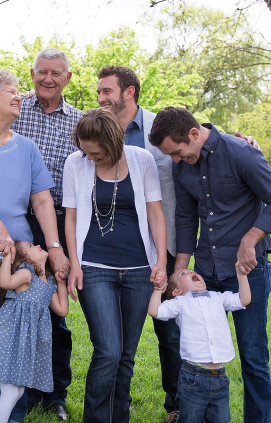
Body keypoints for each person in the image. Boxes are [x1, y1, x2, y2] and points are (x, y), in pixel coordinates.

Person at [95, 65, 260, 423]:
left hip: (166, 247)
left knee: (172, 334)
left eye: (108, 91)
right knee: (118, 344)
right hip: (120, 250)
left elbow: (201, 146)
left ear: (129, 92)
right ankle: (121, 411)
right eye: (99, 92)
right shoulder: (97, 126)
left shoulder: (159, 129)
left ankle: (178, 405)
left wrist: (176, 265)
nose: (102, 98)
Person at [0, 48, 82, 421]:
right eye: (40, 72)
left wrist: (55, 246)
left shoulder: (49, 134)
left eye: (56, 72)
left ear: (67, 77)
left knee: (33, 329)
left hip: (34, 239)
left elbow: (44, 200)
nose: (46, 79)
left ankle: (32, 405)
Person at [149, 107, 271, 423]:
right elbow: (185, 217)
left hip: (246, 271)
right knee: (194, 351)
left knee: (253, 356)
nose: (175, 159)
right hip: (205, 272)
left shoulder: (242, 153)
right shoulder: (182, 166)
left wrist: (249, 239)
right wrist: (178, 271)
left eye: (178, 151)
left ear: (194, 134)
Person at [64, 108, 169, 423]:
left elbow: (155, 213)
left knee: (125, 357)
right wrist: (74, 263)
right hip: (93, 267)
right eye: (85, 151)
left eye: (95, 153)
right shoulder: (77, 163)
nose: (89, 157)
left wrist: (161, 260)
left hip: (139, 270)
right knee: (108, 350)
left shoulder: (141, 160)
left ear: (113, 143)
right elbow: (70, 217)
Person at [0, 241, 69, 423]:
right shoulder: (26, 274)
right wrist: (8, 256)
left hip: (25, 346)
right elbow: (4, 281)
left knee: (17, 391)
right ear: (24, 258)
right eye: (32, 246)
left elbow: (62, 310)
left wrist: (62, 283)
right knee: (10, 393)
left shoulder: (48, 282)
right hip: (11, 341)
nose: (38, 245)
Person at [148, 264, 251, 423]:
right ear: (177, 292)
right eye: (183, 273)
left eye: (190, 271)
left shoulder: (218, 297)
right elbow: (155, 311)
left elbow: (243, 300)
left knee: (221, 419)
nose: (190, 271)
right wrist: (157, 289)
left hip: (220, 377)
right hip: (193, 378)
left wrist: (242, 276)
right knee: (190, 419)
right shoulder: (180, 303)